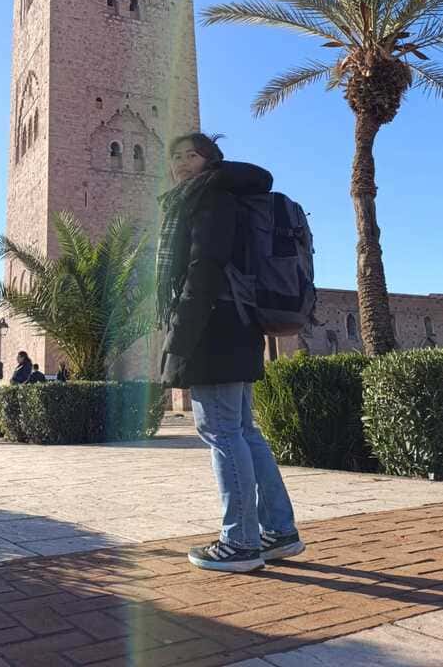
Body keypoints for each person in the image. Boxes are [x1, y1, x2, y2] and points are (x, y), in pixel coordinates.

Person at [157, 132, 305, 573]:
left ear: (211, 160)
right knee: (242, 431)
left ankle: (240, 542)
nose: (182, 163)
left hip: (215, 325)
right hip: (236, 323)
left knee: (222, 432)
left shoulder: (209, 199)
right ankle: (278, 531)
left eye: (192, 155)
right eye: (176, 156)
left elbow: (204, 268)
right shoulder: (226, 196)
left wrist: (178, 337)